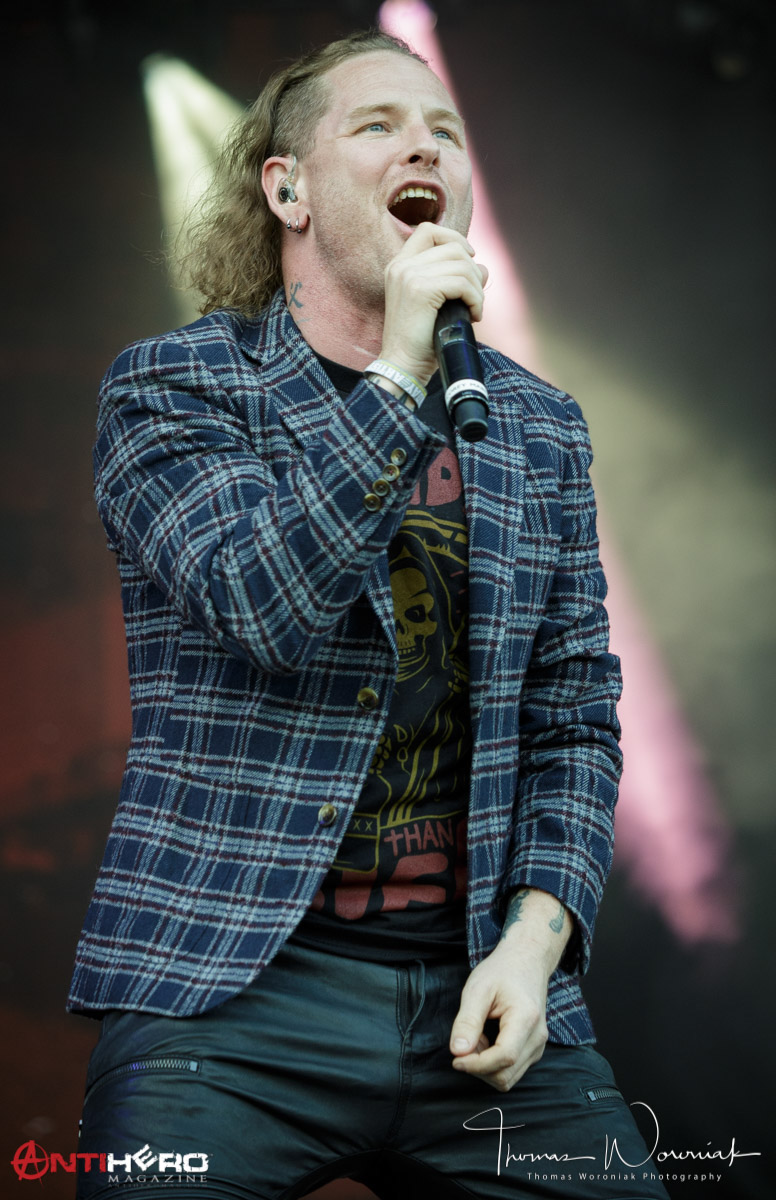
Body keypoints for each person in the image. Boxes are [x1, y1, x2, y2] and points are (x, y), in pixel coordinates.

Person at [71, 28, 670, 1200]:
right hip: (230, 1000)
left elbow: (572, 717)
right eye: (379, 125)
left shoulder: (537, 427)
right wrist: (396, 376)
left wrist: (533, 947)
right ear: (286, 189)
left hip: (475, 986)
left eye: (444, 130)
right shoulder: (175, 388)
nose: (425, 148)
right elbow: (260, 603)